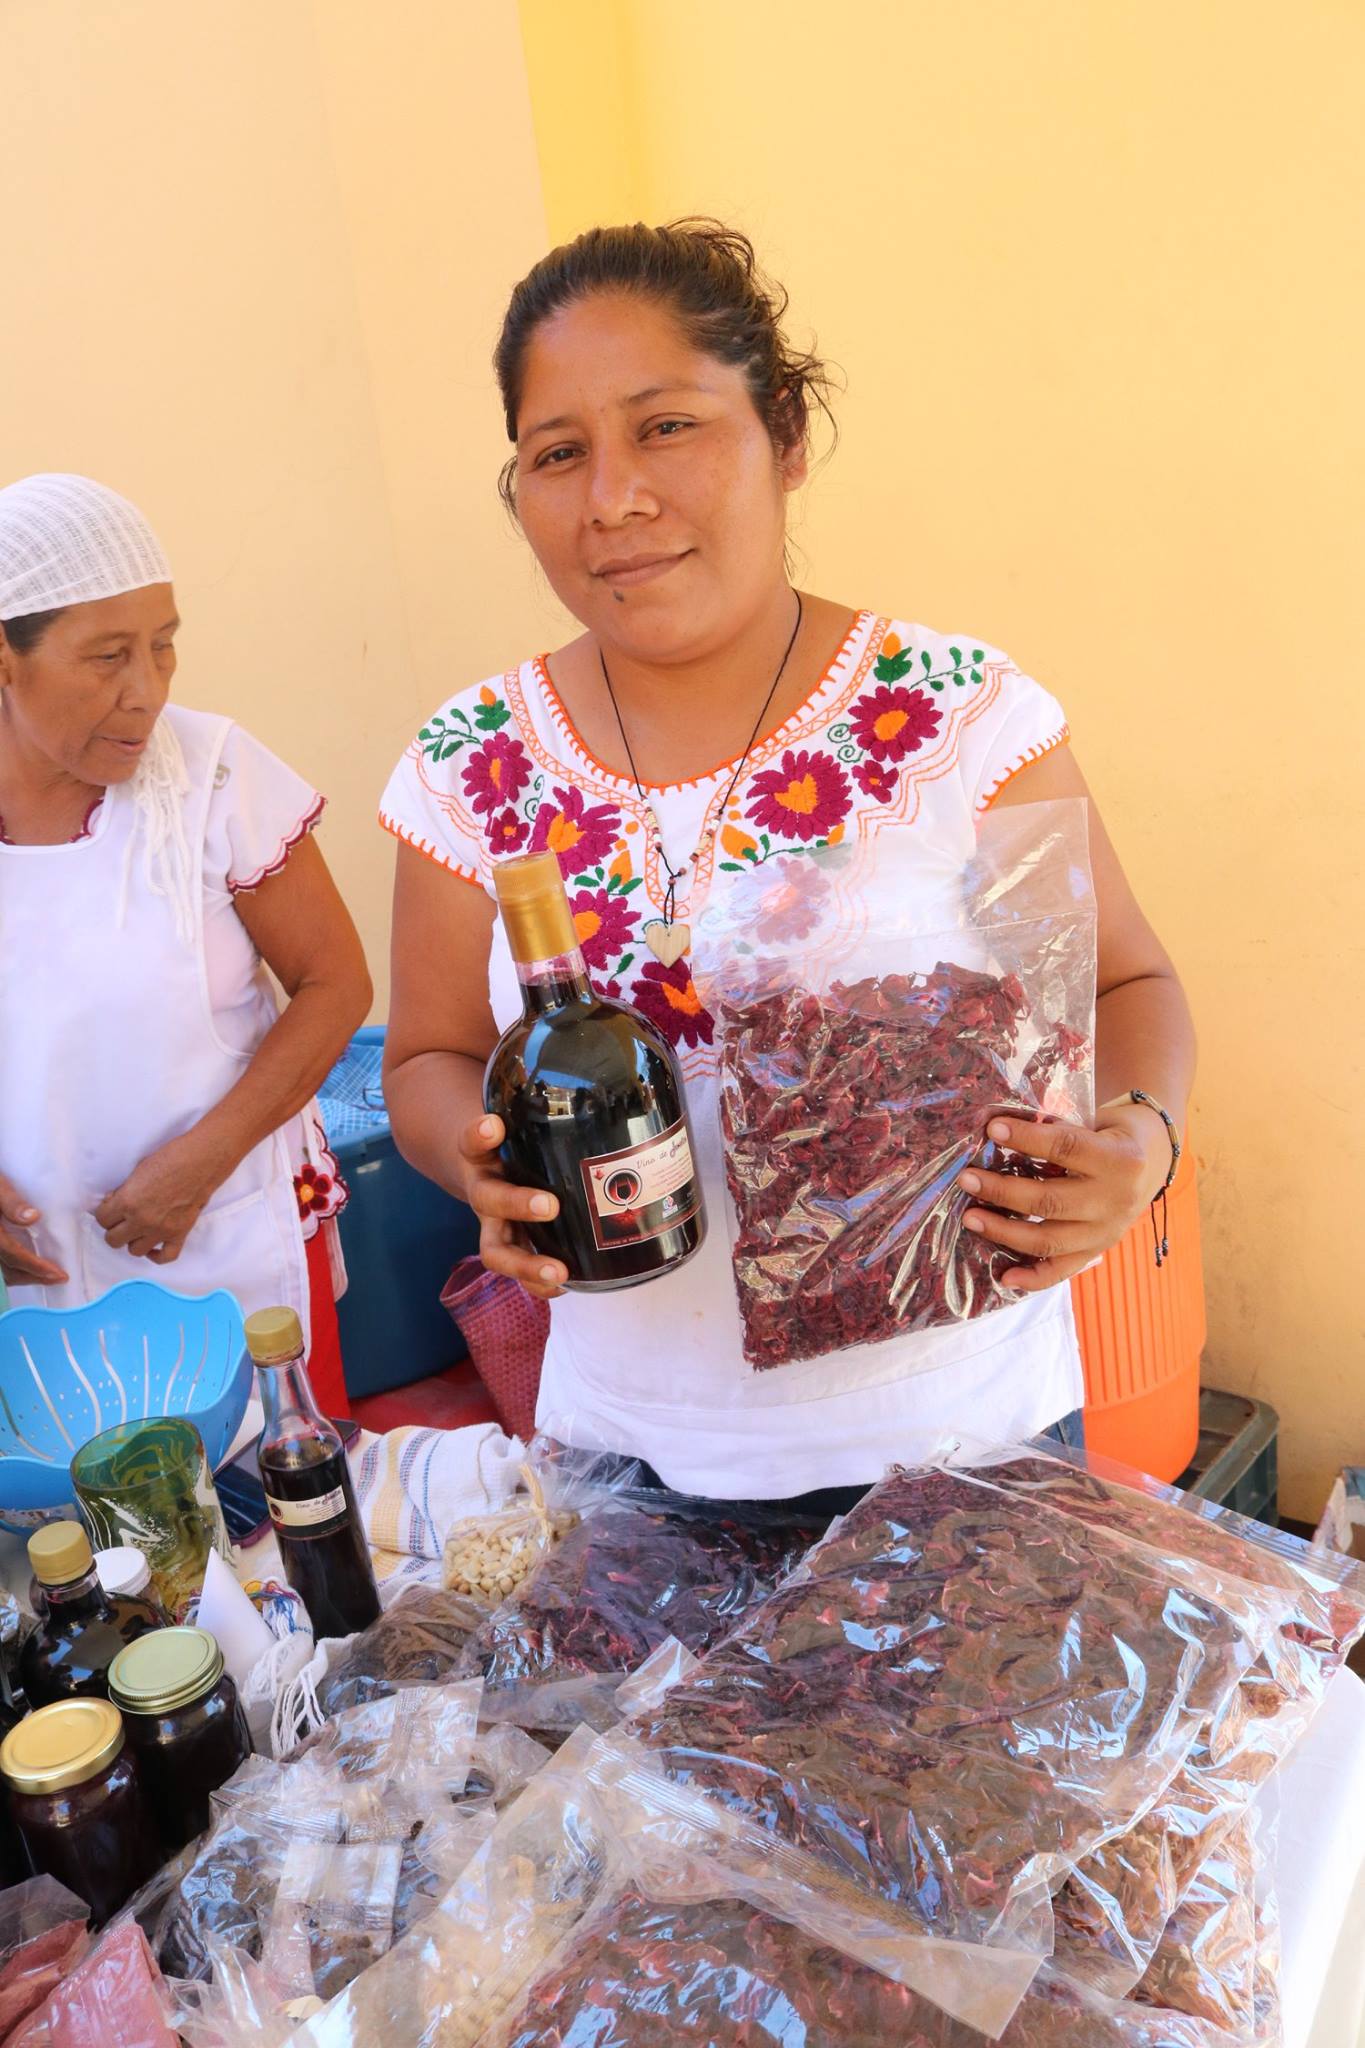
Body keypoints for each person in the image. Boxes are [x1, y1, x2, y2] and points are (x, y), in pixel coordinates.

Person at [380, 223, 1195, 1500]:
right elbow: (428, 1054)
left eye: (667, 426)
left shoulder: (955, 717)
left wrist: (1140, 1141)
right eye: (558, 452)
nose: (613, 499)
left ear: (787, 439)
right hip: (634, 1451)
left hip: (962, 1442)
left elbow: (1125, 982)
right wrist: (478, 1160)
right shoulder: (471, 764)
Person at [0, 474, 371, 1413]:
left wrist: (206, 1158)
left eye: (162, 646)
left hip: (229, 1240)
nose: (148, 693)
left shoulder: (214, 780)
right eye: (107, 657)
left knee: (283, 1479)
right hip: (37, 1284)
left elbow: (335, 984)